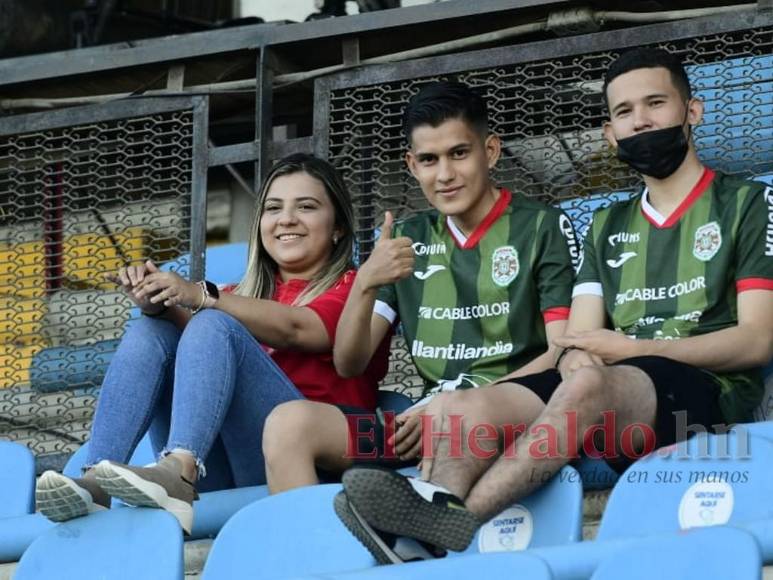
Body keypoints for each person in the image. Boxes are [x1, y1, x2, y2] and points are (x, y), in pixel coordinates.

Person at [336, 48, 773, 564]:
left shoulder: (748, 201)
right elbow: (576, 338)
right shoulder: (606, 224)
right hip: (613, 393)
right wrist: (577, 355)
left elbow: (757, 339)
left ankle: (446, 526)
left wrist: (626, 349)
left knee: (587, 380)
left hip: (707, 396)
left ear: (692, 112)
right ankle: (422, 534)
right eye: (625, 112)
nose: (642, 121)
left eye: (655, 103)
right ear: (610, 134)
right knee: (461, 407)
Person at [35, 153, 389, 534]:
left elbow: (299, 329)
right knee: (149, 329)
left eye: (306, 206)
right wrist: (158, 305)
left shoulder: (357, 287)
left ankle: (179, 469)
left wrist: (200, 295)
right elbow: (197, 345)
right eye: (273, 208)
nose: (286, 219)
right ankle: (95, 482)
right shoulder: (239, 294)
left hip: (304, 459)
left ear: (337, 227)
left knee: (214, 320)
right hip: (221, 466)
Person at [262, 81, 577, 497]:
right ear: (412, 165)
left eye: (458, 154)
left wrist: (450, 405)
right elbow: (349, 362)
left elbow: (561, 349)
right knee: (289, 424)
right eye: (429, 160)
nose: (444, 174)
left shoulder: (542, 226)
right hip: (421, 421)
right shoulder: (407, 239)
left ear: (491, 151)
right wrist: (367, 282)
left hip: (512, 409)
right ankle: (312, 561)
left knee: (454, 414)